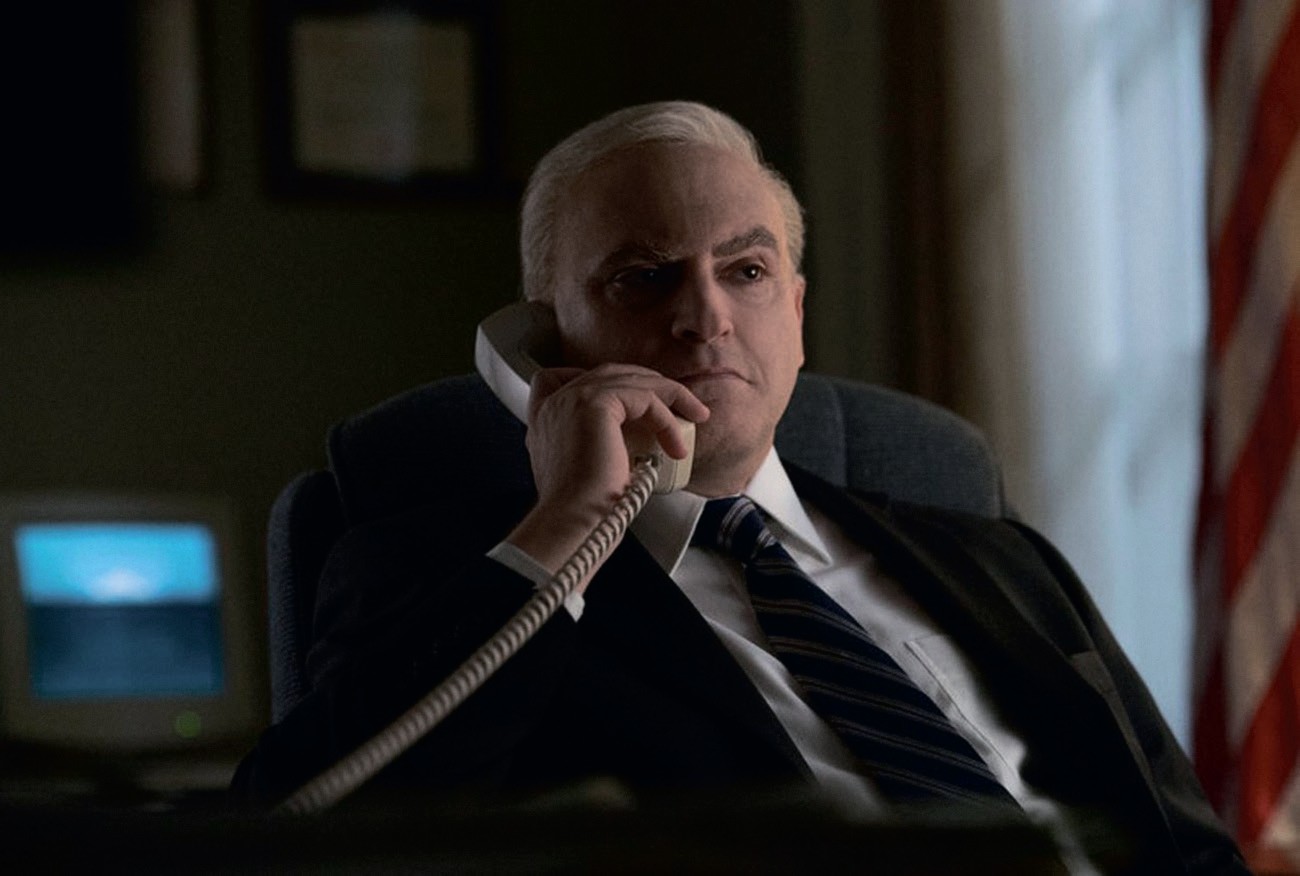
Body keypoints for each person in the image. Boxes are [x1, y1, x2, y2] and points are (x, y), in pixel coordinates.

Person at [234, 102, 1245, 873]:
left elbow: (1190, 847)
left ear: (796, 312)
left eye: (746, 271)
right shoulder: (441, 571)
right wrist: (564, 528)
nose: (706, 316)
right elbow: (296, 836)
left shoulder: (996, 554)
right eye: (643, 277)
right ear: (547, 340)